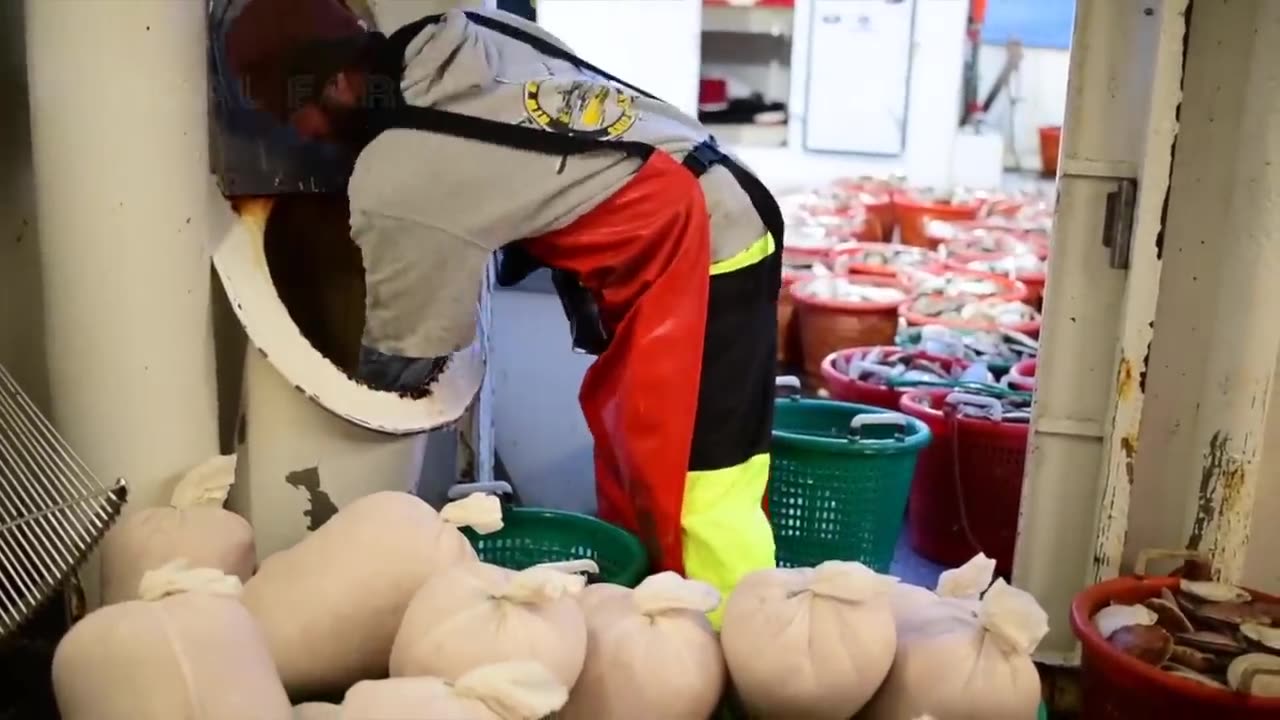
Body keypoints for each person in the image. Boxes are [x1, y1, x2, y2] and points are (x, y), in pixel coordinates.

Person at [226, 0, 784, 621]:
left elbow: (405, 358)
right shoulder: (457, 41)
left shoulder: (398, 170)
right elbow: (529, 160)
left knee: (698, 484)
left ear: (332, 82)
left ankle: (737, 659)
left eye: (289, 110)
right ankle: (653, 630)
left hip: (706, 242)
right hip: (704, 201)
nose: (297, 133)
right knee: (639, 451)